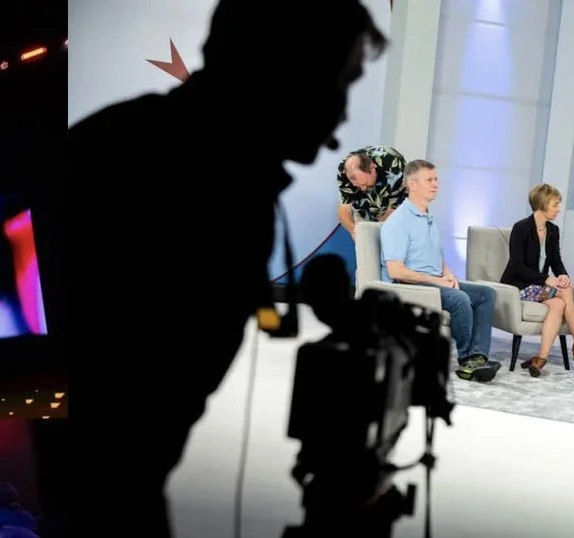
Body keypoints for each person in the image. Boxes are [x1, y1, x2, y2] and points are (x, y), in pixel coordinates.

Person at [51, 0, 389, 534]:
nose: (344, 114)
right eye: (340, 83)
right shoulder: (191, 181)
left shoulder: (163, 149)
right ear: (286, 74)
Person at [379, 160, 497, 372]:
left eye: (436, 179)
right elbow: (395, 271)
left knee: (486, 294)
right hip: (410, 286)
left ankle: (478, 356)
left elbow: (434, 256)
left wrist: (448, 274)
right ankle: (466, 358)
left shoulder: (428, 218)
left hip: (434, 281)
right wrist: (437, 280)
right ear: (412, 184)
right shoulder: (399, 222)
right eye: (429, 180)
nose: (436, 184)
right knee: (460, 299)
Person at [498, 184, 574, 376]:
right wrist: (547, 279)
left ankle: (540, 359)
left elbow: (556, 260)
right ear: (542, 204)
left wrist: (562, 275)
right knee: (565, 291)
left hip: (538, 286)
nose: (558, 209)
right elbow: (516, 265)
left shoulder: (553, 230)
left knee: (558, 304)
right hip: (518, 286)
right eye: (555, 204)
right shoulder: (521, 228)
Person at [334, 145, 408, 232]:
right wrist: (353, 231)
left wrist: (377, 231)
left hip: (393, 207)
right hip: (364, 208)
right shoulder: (345, 169)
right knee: (363, 238)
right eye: (357, 186)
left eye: (365, 184)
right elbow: (344, 208)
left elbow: (393, 210)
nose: (362, 189)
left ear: (372, 168)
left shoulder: (395, 169)